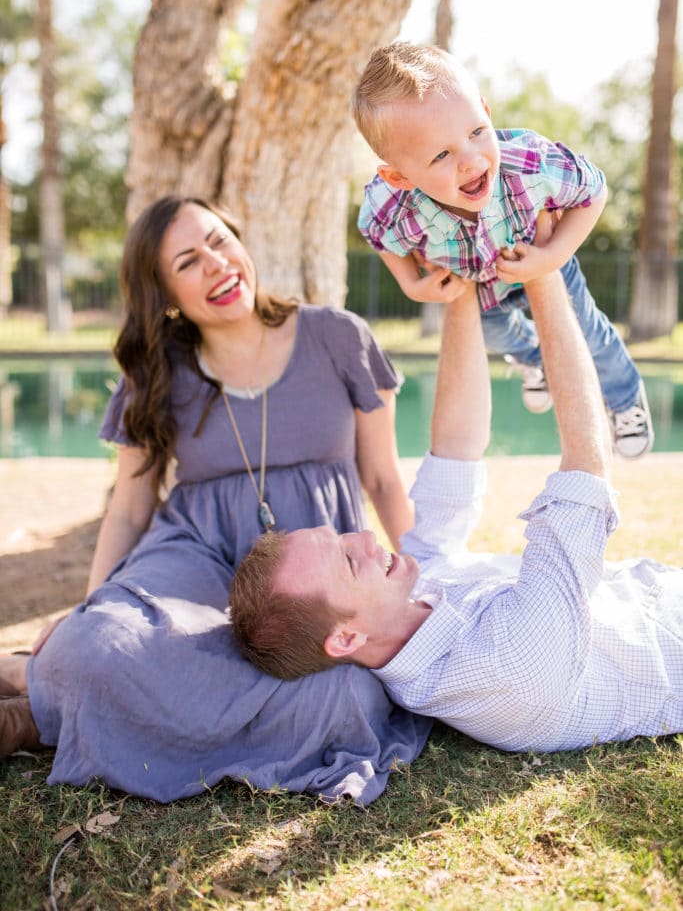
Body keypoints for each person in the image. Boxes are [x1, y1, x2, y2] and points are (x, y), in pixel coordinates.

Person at [0, 196, 432, 802]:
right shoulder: (157, 372)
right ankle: (34, 684)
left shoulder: (337, 336)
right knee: (103, 641)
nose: (216, 264)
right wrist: (90, 605)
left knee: (350, 696)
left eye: (220, 240)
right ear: (166, 292)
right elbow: (129, 508)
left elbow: (383, 478)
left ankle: (34, 696)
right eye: (188, 260)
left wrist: (433, 569)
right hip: (192, 558)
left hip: (308, 578)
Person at [230, 270, 683, 754]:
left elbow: (454, 450)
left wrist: (459, 285)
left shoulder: (409, 597)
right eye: (346, 561)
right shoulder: (503, 670)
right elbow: (587, 469)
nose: (365, 539)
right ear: (346, 638)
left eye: (341, 538)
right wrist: (545, 277)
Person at [351, 41, 653, 459]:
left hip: (541, 255)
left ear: (487, 113)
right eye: (441, 154)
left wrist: (553, 256)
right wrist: (411, 284)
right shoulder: (392, 204)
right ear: (400, 176)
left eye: (476, 132)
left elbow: (594, 191)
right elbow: (374, 231)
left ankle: (625, 399)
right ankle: (535, 360)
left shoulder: (529, 162)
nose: (471, 161)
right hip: (483, 281)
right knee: (495, 333)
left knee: (587, 331)